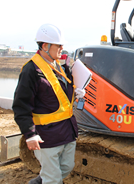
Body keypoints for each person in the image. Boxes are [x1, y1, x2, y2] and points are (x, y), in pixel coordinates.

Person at [12, 24, 85, 184]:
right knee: (53, 179)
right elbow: (20, 106)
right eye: (59, 45)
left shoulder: (59, 65)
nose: (62, 48)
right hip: (47, 136)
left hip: (66, 131)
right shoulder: (31, 70)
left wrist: (77, 91)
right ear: (45, 46)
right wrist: (30, 134)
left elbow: (61, 95)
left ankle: (40, 181)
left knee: (66, 167)